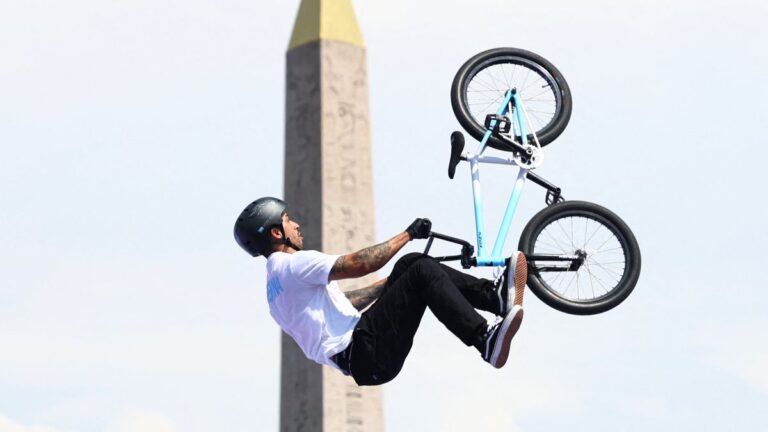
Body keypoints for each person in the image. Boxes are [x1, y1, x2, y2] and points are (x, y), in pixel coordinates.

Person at [234, 197, 527, 386]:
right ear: (276, 233)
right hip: (364, 350)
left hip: (363, 357)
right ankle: (484, 340)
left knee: (411, 266)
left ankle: (495, 297)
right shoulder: (295, 264)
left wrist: (394, 284)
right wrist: (408, 235)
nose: (296, 224)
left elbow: (342, 304)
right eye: (288, 221)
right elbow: (359, 263)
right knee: (420, 269)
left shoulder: (274, 293)